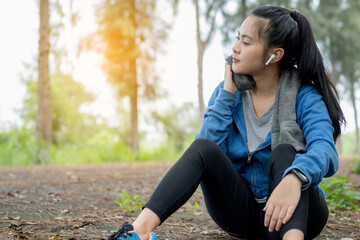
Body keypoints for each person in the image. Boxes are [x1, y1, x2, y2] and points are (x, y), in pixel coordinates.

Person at [108, 5, 345, 240]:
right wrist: (227, 96)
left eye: (246, 42)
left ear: (275, 55)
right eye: (237, 38)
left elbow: (325, 150)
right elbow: (207, 155)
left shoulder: (305, 97)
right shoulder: (226, 93)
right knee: (202, 147)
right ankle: (138, 231)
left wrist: (296, 178)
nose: (235, 48)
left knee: (285, 152)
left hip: (298, 213)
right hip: (240, 214)